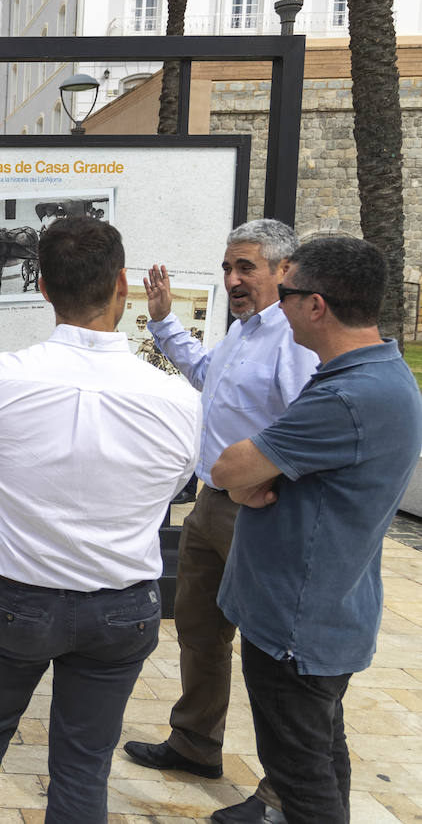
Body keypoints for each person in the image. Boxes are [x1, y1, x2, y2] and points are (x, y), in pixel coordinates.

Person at [0, 218, 201, 823]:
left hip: (15, 598)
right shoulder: (180, 400)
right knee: (83, 767)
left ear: (44, 287)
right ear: (123, 286)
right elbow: (178, 482)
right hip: (122, 605)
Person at [210, 236, 422, 824]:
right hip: (321, 615)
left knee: (303, 780)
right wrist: (251, 480)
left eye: (288, 293)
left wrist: (244, 481)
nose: (279, 307)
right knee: (320, 755)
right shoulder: (377, 372)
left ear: (317, 305)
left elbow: (230, 469)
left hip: (295, 626)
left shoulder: (348, 396)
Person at [123, 219, 317, 824]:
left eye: (246, 268)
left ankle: (283, 790)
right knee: (201, 631)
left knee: (271, 651)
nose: (233, 280)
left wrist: (272, 478)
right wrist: (162, 322)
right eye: (228, 268)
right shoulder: (245, 332)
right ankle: (195, 743)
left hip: (259, 513)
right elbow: (210, 378)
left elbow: (310, 427)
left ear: (285, 272)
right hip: (212, 505)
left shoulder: (295, 341)